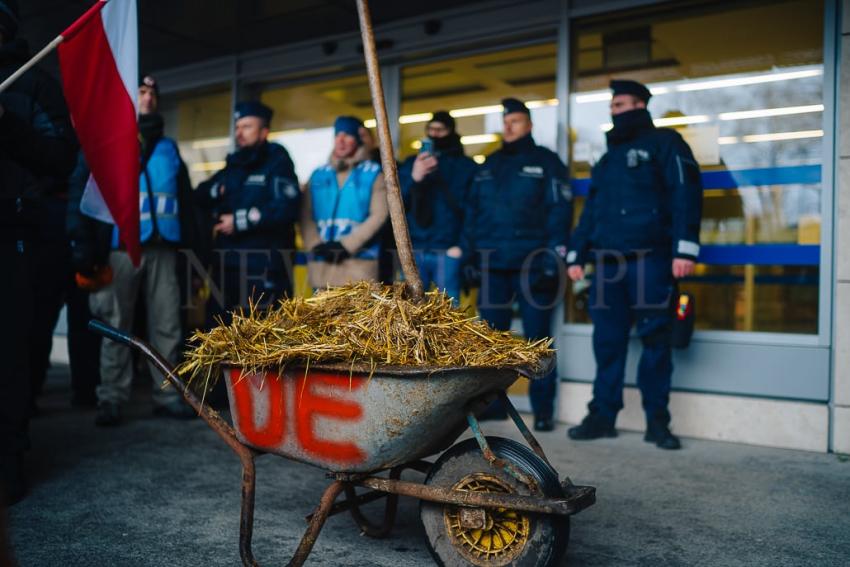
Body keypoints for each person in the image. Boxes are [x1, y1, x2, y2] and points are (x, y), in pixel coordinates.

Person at [565, 79, 703, 450]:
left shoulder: (666, 143)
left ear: (641, 104)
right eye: (612, 106)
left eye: (622, 104)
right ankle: (602, 416)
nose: (615, 111)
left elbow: (685, 194)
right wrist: (578, 253)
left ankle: (658, 422)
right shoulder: (607, 159)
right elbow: (591, 211)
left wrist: (684, 250)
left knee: (656, 342)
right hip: (608, 265)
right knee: (607, 343)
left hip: (652, 260)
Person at [88, 76, 202, 426]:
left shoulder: (169, 149)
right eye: (142, 91)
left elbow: (185, 204)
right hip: (121, 249)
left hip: (162, 250)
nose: (149, 97)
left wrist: (194, 254)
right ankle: (111, 397)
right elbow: (91, 197)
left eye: (153, 93)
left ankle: (167, 395)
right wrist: (89, 250)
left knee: (167, 324)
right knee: (116, 325)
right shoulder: (112, 140)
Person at [0, 0, 78, 505]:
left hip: (14, 234)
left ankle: (8, 462)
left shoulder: (33, 84)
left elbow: (61, 158)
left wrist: (5, 121)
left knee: (12, 352)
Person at [463, 98, 573, 432]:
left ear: (529, 125)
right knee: (492, 343)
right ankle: (494, 406)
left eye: (515, 121)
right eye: (505, 120)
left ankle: (543, 410)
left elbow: (560, 212)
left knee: (537, 342)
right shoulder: (488, 165)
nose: (508, 126)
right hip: (493, 266)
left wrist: (554, 258)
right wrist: (470, 256)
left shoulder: (547, 162)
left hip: (533, 265)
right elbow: (472, 215)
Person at [196, 101, 300, 321]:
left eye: (247, 126)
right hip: (227, 268)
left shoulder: (277, 162)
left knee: (262, 335)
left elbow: (286, 208)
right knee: (218, 332)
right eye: (237, 127)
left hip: (264, 268)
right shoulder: (233, 165)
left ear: (264, 132)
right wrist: (219, 189)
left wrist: (239, 221)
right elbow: (200, 195)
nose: (239, 133)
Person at [301, 116, 388, 288]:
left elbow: (380, 215)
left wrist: (346, 245)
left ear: (358, 139)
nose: (340, 140)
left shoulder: (374, 173)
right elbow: (304, 213)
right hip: (322, 268)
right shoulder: (318, 175)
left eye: (347, 135)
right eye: (337, 135)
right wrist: (315, 244)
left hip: (359, 271)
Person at [399, 111, 476, 303]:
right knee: (410, 310)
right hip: (415, 249)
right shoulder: (411, 164)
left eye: (440, 130)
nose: (435, 134)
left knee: (449, 312)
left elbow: (473, 209)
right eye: (431, 129)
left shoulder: (464, 167)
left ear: (450, 132)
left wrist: (462, 246)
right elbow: (397, 204)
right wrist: (415, 177)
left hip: (448, 249)